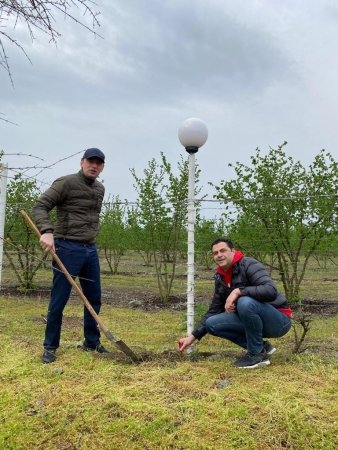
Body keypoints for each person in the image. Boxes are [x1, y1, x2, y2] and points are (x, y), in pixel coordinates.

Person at [33, 148, 108, 364]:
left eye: (99, 163)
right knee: (59, 299)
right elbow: (40, 206)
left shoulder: (100, 189)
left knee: (94, 298)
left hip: (90, 250)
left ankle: (91, 342)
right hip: (67, 248)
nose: (94, 166)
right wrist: (47, 231)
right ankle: (50, 346)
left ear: (102, 167)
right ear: (82, 162)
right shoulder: (65, 183)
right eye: (90, 162)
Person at [178, 238, 292, 368]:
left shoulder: (249, 264)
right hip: (254, 321)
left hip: (279, 320)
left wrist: (238, 291)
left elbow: (270, 290)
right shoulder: (220, 277)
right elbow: (214, 310)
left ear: (232, 251)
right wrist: (192, 337)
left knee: (245, 302)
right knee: (212, 324)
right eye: (215, 253)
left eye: (223, 250)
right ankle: (262, 347)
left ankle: (256, 355)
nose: (219, 255)